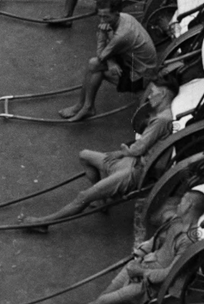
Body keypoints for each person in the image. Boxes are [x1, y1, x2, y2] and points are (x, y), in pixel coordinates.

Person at [21, 76, 179, 230]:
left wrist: (123, 149)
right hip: (131, 161)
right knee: (84, 155)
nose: (150, 95)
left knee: (83, 197)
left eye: (153, 92)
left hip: (136, 170)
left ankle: (43, 222)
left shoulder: (161, 121)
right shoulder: (161, 117)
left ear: (163, 94)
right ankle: (102, 200)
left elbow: (137, 149)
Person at [45, 190, 204, 304]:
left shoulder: (189, 241)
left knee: (102, 303)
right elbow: (155, 240)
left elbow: (169, 274)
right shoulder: (175, 220)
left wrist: (141, 272)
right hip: (142, 265)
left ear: (189, 206)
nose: (178, 204)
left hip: (150, 284)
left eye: (182, 201)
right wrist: (141, 252)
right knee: (102, 299)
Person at [59, 0, 158, 122]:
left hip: (141, 75)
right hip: (132, 61)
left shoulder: (123, 34)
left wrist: (101, 33)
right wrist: (110, 62)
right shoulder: (124, 17)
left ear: (116, 13)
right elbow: (107, 50)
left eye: (106, 17)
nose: (102, 21)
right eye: (99, 16)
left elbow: (101, 54)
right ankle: (83, 105)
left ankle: (86, 106)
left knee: (94, 65)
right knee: (94, 65)